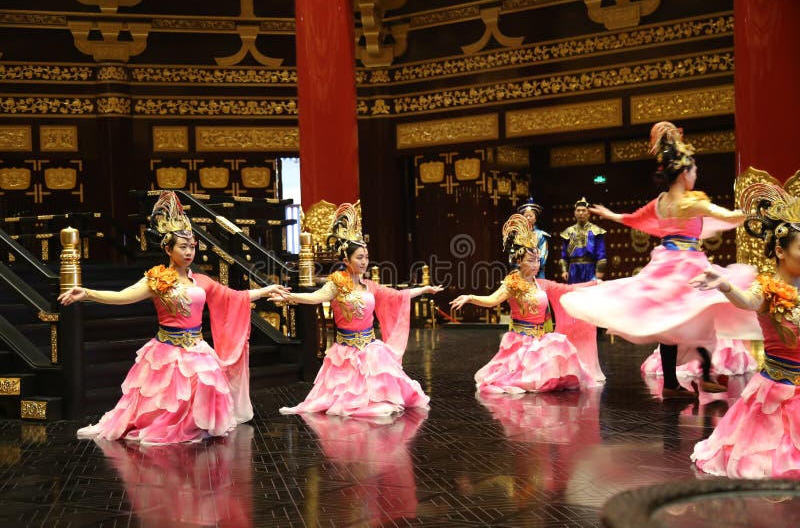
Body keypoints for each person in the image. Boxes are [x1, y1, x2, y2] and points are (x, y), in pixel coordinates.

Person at [58, 191, 290, 444]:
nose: (189, 251)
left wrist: (266, 290)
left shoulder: (200, 280)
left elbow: (233, 296)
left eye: (192, 246)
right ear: (168, 249)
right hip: (167, 350)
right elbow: (123, 296)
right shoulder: (157, 279)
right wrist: (87, 293)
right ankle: (166, 426)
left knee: (205, 386)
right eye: (183, 246)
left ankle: (195, 424)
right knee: (164, 401)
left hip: (198, 348)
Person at [560, 121, 761, 400]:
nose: (696, 174)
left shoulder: (662, 202)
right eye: (693, 169)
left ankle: (681, 381)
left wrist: (612, 215)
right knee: (699, 318)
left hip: (666, 264)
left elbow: (636, 218)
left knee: (672, 325)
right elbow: (729, 216)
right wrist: (757, 211)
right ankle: (702, 375)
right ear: (683, 172)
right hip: (688, 264)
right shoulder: (693, 203)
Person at [279, 203, 441, 417]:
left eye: (366, 257)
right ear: (346, 260)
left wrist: (424, 289)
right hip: (345, 350)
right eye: (359, 258)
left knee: (386, 394)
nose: (364, 262)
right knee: (345, 397)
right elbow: (315, 297)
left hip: (370, 347)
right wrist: (290, 296)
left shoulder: (369, 285)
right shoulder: (337, 283)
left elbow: (397, 296)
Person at [690, 182, 800, 478]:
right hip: (777, 385)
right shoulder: (766, 288)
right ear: (780, 249)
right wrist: (725, 286)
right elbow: (747, 301)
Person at [450, 214, 604, 393]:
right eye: (530, 261)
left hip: (541, 338)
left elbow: (566, 289)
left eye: (537, 260)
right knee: (527, 376)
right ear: (518, 261)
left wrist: (593, 284)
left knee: (561, 345)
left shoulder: (540, 283)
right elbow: (492, 300)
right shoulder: (513, 283)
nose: (536, 265)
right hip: (522, 342)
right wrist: (471, 297)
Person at [559, 197, 607, 283]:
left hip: (590, 268)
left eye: (583, 210)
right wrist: (564, 270)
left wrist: (600, 270)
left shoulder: (596, 231)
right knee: (574, 294)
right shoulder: (568, 232)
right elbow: (564, 254)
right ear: (574, 213)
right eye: (578, 210)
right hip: (573, 269)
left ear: (589, 213)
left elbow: (601, 253)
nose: (581, 213)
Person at [517, 197, 550, 278]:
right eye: (526, 216)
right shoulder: (517, 235)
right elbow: (513, 254)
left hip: (537, 271)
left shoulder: (541, 235)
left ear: (535, 219)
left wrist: (535, 264)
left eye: (530, 216)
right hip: (522, 270)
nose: (528, 218)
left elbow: (543, 253)